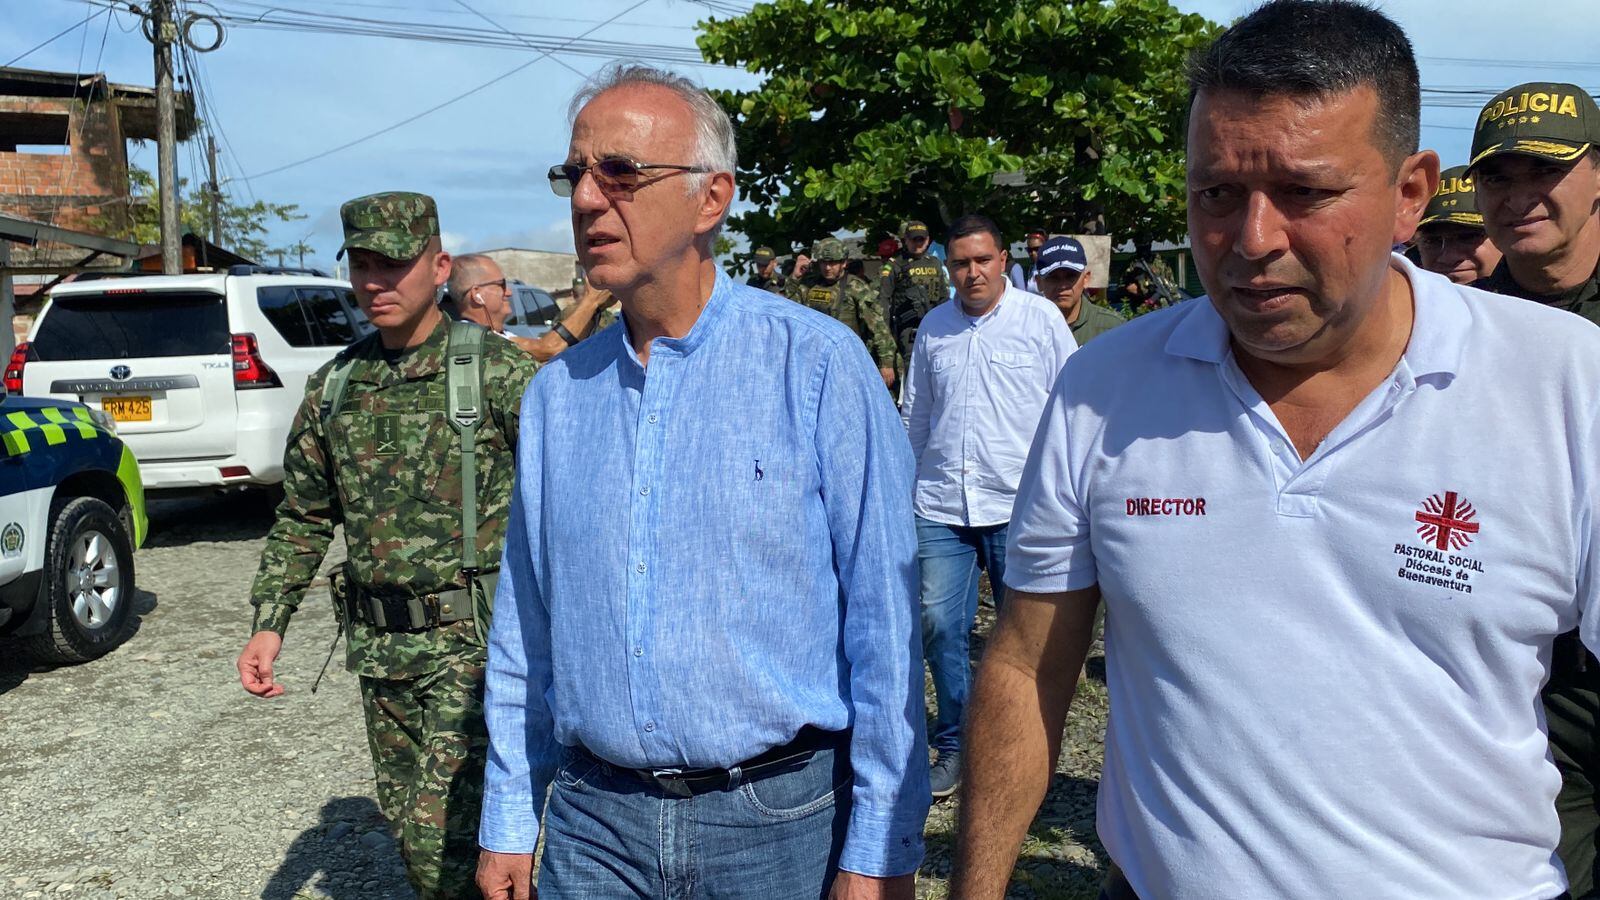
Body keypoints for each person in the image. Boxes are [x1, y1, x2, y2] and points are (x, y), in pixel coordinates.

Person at [954, 2, 1600, 897]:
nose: (1252, 241)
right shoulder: (1105, 389)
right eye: (1216, 193)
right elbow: (1028, 661)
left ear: (1411, 193)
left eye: (1305, 192)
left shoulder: (1566, 386)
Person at [476, 64, 929, 900]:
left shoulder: (815, 366)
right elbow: (525, 628)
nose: (585, 198)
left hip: (777, 827)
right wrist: (509, 814)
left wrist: (880, 846)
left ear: (710, 199)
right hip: (593, 823)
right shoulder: (556, 400)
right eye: (575, 172)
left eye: (619, 172)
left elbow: (885, 624)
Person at [237, 192, 539, 900]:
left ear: (438, 266)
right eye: (363, 265)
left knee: (448, 847)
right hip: (382, 658)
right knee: (415, 839)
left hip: (473, 654)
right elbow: (306, 514)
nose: (376, 282)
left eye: (393, 265)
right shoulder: (337, 386)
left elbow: (568, 505)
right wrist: (268, 623)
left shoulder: (496, 373)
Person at [1468, 80, 1600, 895]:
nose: (1518, 198)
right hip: (1541, 680)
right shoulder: (1458, 332)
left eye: (1542, 173)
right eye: (1497, 178)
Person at [899, 214, 1075, 800]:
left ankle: (1021, 747)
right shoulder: (933, 327)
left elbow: (1072, 408)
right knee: (937, 625)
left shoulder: (1041, 319)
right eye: (960, 263)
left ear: (1003, 259)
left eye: (982, 260)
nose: (971, 273)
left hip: (1018, 503)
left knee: (1021, 636)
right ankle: (954, 742)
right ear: (948, 268)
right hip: (942, 502)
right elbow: (917, 414)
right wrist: (906, 490)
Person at [446, 253, 616, 361]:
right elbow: (548, 349)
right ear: (477, 294)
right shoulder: (473, 340)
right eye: (501, 285)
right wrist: (591, 301)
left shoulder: (502, 335)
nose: (509, 293)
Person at [789, 236, 897, 387]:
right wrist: (795, 278)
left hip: (847, 360)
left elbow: (877, 326)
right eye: (824, 262)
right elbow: (787, 310)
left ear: (844, 263)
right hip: (814, 359)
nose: (827, 268)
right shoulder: (809, 284)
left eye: (832, 263)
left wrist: (886, 363)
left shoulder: (855, 287)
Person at [1412, 164, 1502, 285]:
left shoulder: (1529, 302)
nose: (1448, 257)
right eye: (1432, 241)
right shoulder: (1401, 299)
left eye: (1468, 237)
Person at [1034, 235, 1126, 345]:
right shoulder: (1027, 329)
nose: (1063, 286)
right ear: (1039, 283)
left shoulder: (1112, 328)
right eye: (1053, 277)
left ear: (1086, 278)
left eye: (1070, 276)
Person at [881, 220, 951, 361]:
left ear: (928, 240)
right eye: (914, 239)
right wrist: (885, 333)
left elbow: (944, 297)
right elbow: (883, 299)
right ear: (906, 240)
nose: (918, 243)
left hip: (935, 324)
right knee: (912, 364)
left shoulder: (935, 263)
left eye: (921, 239)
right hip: (908, 328)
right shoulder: (895, 264)